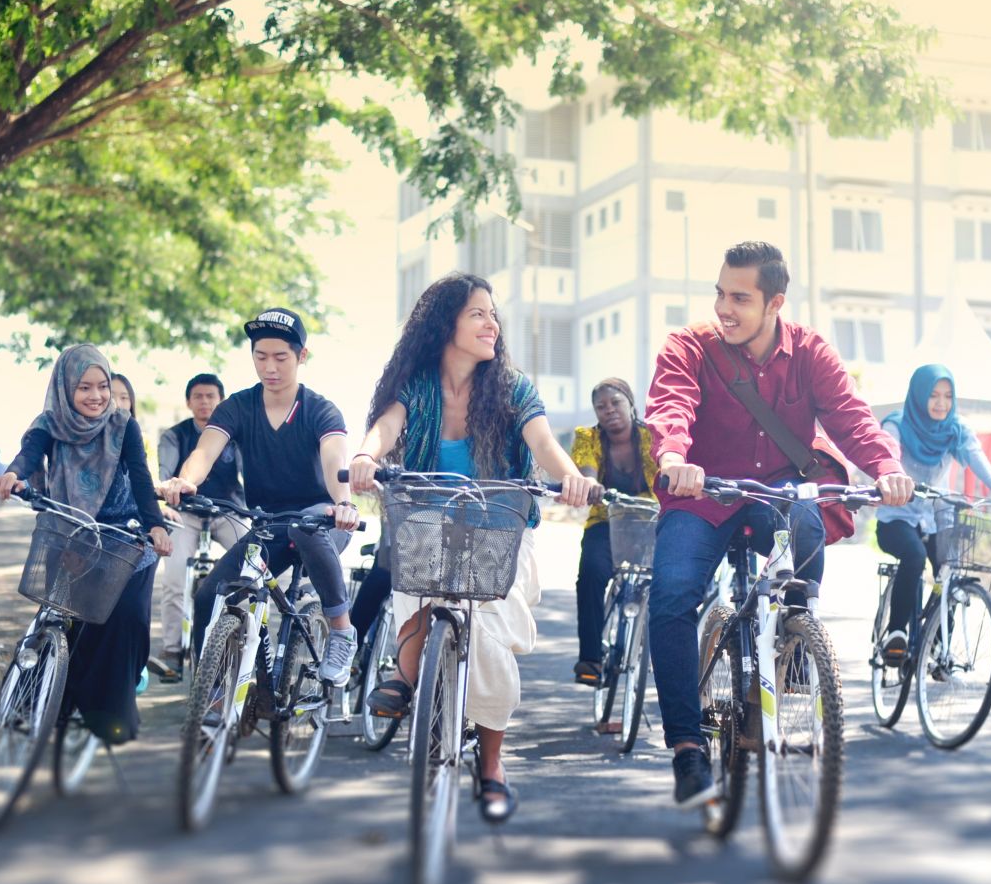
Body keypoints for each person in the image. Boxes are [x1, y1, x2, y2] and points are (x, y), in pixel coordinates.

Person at [645, 241, 913, 807]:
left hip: (778, 488)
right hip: (705, 490)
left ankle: (792, 640)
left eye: (740, 298)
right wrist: (673, 458)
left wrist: (887, 467)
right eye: (720, 293)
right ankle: (688, 750)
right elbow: (671, 404)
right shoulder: (689, 346)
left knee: (807, 520)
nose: (724, 308)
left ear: (775, 303)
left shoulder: (812, 352)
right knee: (670, 597)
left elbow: (851, 418)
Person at [347, 273, 598, 823]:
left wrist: (572, 477)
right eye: (478, 314)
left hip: (500, 527)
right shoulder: (415, 386)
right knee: (412, 582)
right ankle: (408, 670)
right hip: (431, 521)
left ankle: (491, 766)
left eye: (493, 314)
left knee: (488, 631)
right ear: (447, 325)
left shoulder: (511, 387)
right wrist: (366, 456)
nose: (492, 324)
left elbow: (542, 441)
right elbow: (386, 428)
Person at [161, 310, 360, 690]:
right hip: (269, 524)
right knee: (210, 596)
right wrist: (184, 481)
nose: (269, 367)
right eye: (260, 356)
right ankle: (211, 692)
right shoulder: (238, 406)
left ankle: (341, 631)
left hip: (322, 520)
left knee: (306, 526)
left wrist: (344, 502)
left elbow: (336, 458)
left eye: (280, 357)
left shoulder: (319, 409)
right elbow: (205, 451)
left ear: (301, 357)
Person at [0, 344, 173, 743]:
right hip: (70, 529)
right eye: (84, 387)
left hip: (122, 535)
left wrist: (155, 526)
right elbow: (27, 456)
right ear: (65, 388)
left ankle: (108, 712)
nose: (96, 396)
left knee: (122, 619)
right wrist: (12, 475)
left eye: (102, 386)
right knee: (56, 618)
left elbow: (141, 478)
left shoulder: (124, 426)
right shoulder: (49, 423)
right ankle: (31, 698)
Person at [875, 364, 991, 663]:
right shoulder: (897, 425)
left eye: (948, 396)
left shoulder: (955, 428)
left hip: (938, 516)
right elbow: (887, 454)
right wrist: (893, 478)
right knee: (912, 556)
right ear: (919, 395)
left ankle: (938, 648)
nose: (941, 403)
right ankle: (896, 634)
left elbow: (976, 458)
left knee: (950, 571)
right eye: (934, 395)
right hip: (897, 517)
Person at [153, 373, 245, 679]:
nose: (205, 402)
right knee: (174, 577)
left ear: (220, 400)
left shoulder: (235, 434)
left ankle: (244, 638)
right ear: (188, 402)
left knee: (255, 567)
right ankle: (173, 650)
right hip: (186, 515)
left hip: (227, 512)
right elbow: (166, 472)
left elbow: (250, 472)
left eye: (211, 396)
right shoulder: (174, 435)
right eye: (199, 397)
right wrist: (165, 489)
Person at [570, 377, 658, 687]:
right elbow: (585, 466)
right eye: (601, 406)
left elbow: (666, 467)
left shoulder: (653, 436)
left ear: (631, 403)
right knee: (591, 573)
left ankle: (662, 654)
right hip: (607, 522)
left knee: (672, 583)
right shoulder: (588, 438)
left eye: (616, 403)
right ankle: (591, 659)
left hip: (652, 521)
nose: (609, 411)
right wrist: (591, 483)